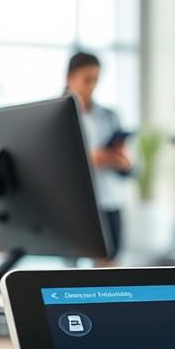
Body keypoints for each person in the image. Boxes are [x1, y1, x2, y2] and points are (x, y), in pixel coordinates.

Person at [65, 51, 132, 261]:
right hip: (76, 204)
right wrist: (87, 159)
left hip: (109, 200)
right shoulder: (57, 116)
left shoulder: (110, 116)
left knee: (110, 262)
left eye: (96, 80)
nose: (92, 86)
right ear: (70, 79)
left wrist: (122, 162)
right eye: (87, 80)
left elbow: (129, 167)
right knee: (71, 265)